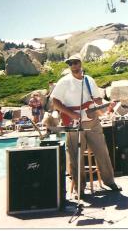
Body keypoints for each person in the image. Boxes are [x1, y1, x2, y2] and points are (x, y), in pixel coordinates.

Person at [51, 54, 121, 199]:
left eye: (76, 63)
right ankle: (80, 189)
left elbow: (97, 100)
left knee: (102, 151)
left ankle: (110, 181)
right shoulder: (64, 82)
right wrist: (71, 114)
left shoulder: (89, 80)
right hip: (73, 123)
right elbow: (55, 102)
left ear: (81, 63)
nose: (74, 66)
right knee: (75, 157)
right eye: (71, 64)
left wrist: (107, 106)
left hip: (92, 120)